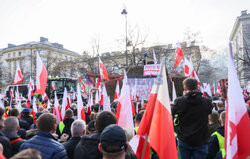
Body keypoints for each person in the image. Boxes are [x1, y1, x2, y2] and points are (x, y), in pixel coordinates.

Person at [172, 78, 213, 159]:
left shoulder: (179, 101)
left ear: (185, 88)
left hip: (184, 139)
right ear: (197, 87)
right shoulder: (206, 101)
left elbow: (170, 114)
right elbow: (209, 111)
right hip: (201, 140)